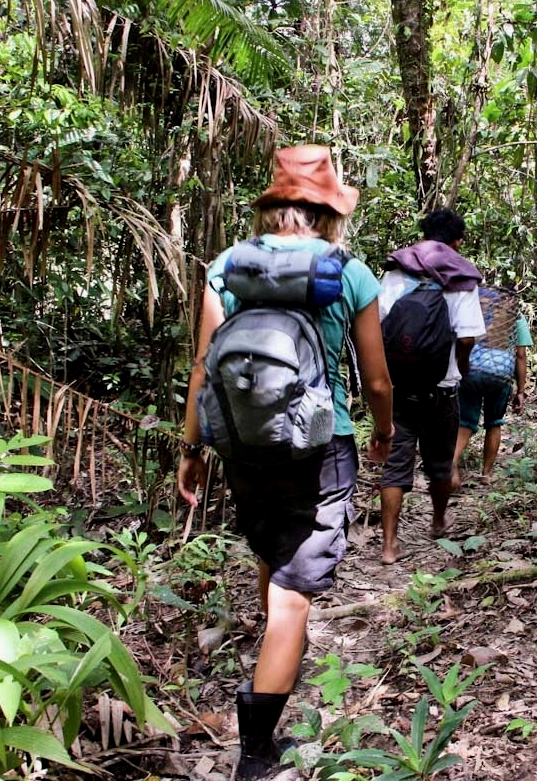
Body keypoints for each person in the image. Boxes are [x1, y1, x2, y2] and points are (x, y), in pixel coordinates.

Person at [176, 145, 394, 780]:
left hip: (244, 446)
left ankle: (266, 688)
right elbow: (377, 380)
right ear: (328, 214)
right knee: (294, 598)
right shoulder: (346, 272)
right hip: (322, 446)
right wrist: (383, 433)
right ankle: (256, 752)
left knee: (273, 568)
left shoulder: (226, 267)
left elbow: (202, 366)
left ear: (270, 209)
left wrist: (190, 450)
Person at [378, 208, 484, 564]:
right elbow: (467, 339)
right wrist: (462, 369)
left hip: (398, 387)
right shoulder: (462, 278)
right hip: (442, 389)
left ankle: (389, 546)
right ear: (457, 241)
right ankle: (438, 521)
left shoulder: (395, 271)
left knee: (395, 466)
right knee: (440, 464)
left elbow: (379, 329)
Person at [452, 288, 532, 485]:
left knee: (465, 423)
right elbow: (520, 355)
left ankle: (450, 463)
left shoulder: (473, 310)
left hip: (471, 369)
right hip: (501, 373)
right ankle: (486, 474)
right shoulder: (514, 316)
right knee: (494, 423)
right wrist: (521, 390)